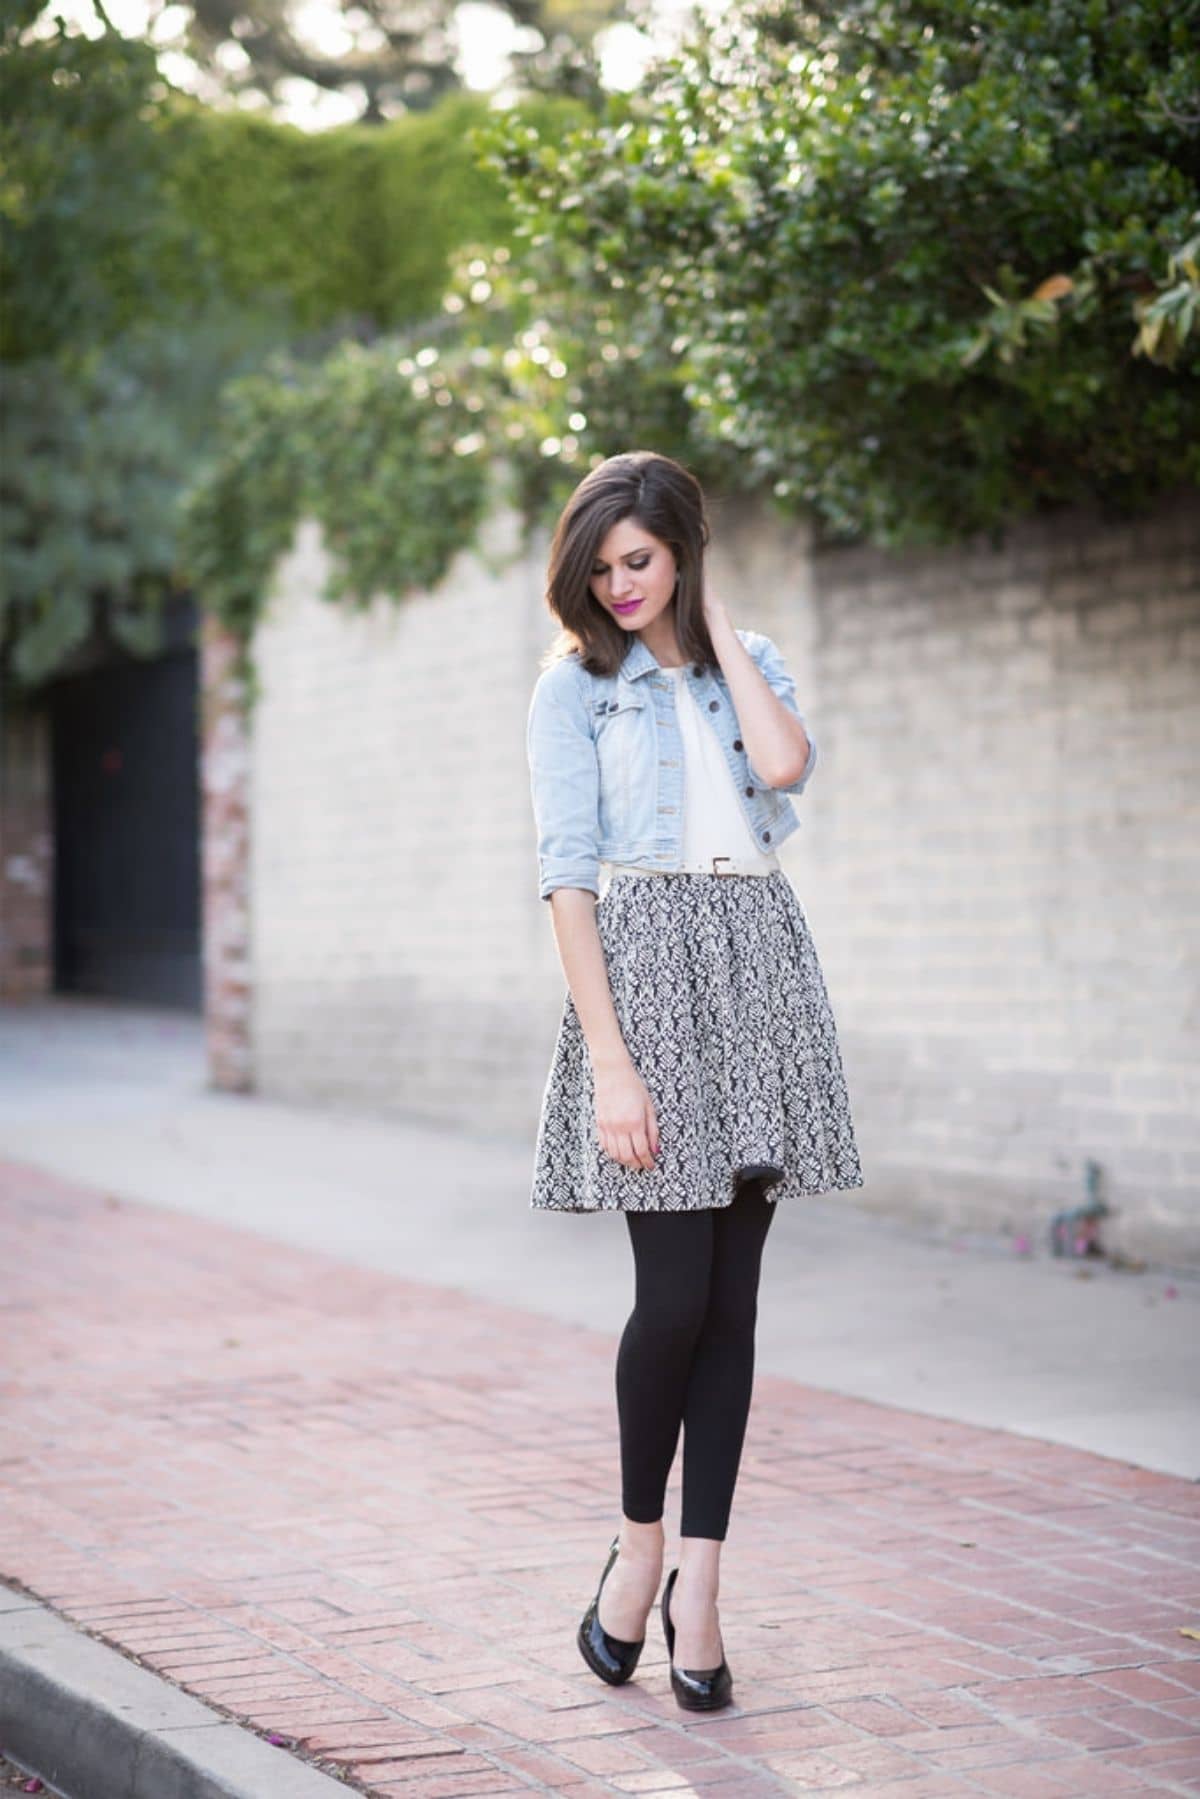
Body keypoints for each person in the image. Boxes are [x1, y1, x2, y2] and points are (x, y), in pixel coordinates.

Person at [524, 450, 864, 1712]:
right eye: (602, 566)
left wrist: (714, 626)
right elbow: (568, 878)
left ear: (681, 552)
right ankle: (638, 1543)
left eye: (642, 561)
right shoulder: (572, 691)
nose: (619, 586)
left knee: (734, 1304)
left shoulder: (745, 659)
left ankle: (703, 1587)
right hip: (649, 977)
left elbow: (783, 767)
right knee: (671, 1301)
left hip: (762, 966)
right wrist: (612, 1058)